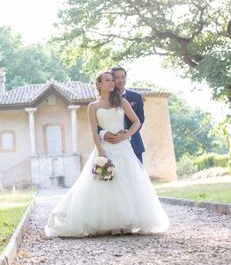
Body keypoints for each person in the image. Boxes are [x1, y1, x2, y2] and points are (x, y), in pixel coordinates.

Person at [44, 70, 170, 238]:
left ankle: (127, 223)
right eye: (108, 80)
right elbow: (95, 132)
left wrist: (126, 135)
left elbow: (137, 121)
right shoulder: (93, 106)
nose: (112, 83)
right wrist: (101, 153)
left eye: (113, 80)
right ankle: (111, 224)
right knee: (106, 185)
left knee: (126, 183)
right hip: (104, 148)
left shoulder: (122, 102)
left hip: (123, 148)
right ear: (99, 84)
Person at [100, 66, 145, 163]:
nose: (121, 80)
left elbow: (140, 120)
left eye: (123, 77)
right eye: (117, 78)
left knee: (137, 176)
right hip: (111, 143)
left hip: (134, 144)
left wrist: (126, 135)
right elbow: (97, 122)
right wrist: (103, 134)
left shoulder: (136, 97)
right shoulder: (103, 100)